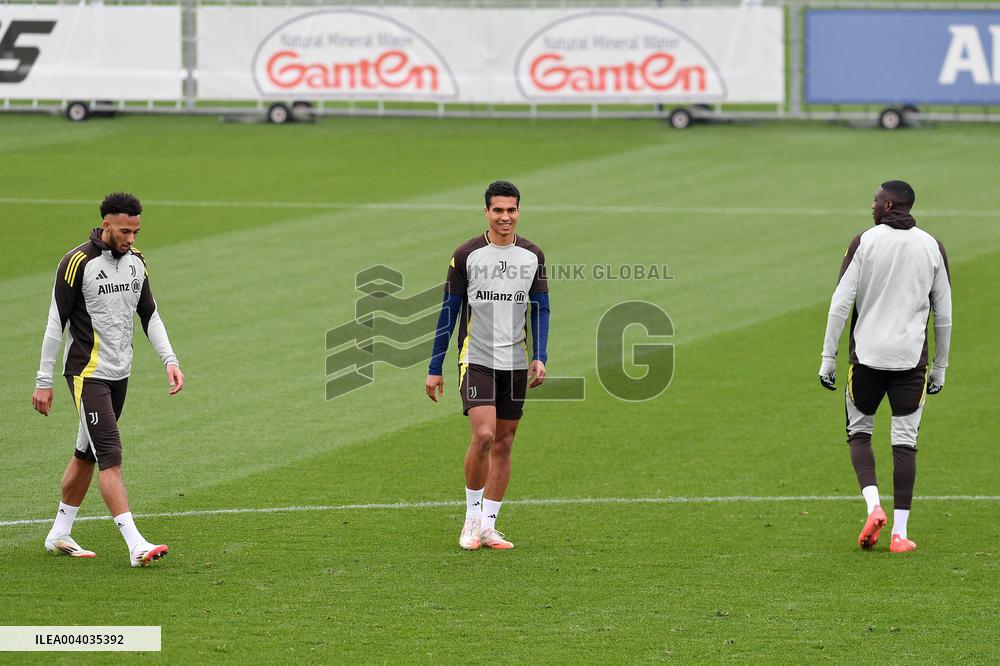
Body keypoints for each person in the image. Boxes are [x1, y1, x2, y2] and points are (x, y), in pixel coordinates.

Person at [32, 192, 184, 567]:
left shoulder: (137, 263)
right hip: (87, 373)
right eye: (124, 231)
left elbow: (149, 314)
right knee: (110, 456)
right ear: (105, 225)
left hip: (121, 373)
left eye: (136, 231)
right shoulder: (77, 262)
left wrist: (170, 359)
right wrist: (43, 379)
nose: (131, 239)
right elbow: (56, 323)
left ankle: (59, 533)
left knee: (86, 454)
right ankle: (136, 544)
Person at [819, 180, 951, 553]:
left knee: (859, 433)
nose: (872, 205)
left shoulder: (865, 241)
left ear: (890, 205)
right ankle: (899, 534)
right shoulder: (932, 247)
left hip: (867, 359)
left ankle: (874, 506)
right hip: (911, 361)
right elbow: (944, 315)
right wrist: (940, 367)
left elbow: (840, 303)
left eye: (876, 200)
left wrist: (828, 358)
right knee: (905, 443)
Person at [425, 180, 550, 550]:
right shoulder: (466, 255)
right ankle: (471, 519)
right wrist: (435, 367)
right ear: (486, 212)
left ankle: (489, 526)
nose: (505, 217)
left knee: (505, 442)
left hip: (514, 361)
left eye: (511, 210)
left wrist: (540, 356)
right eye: (498, 210)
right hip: (475, 358)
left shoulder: (532, 256)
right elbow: (448, 312)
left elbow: (540, 309)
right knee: (483, 436)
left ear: (518, 211)